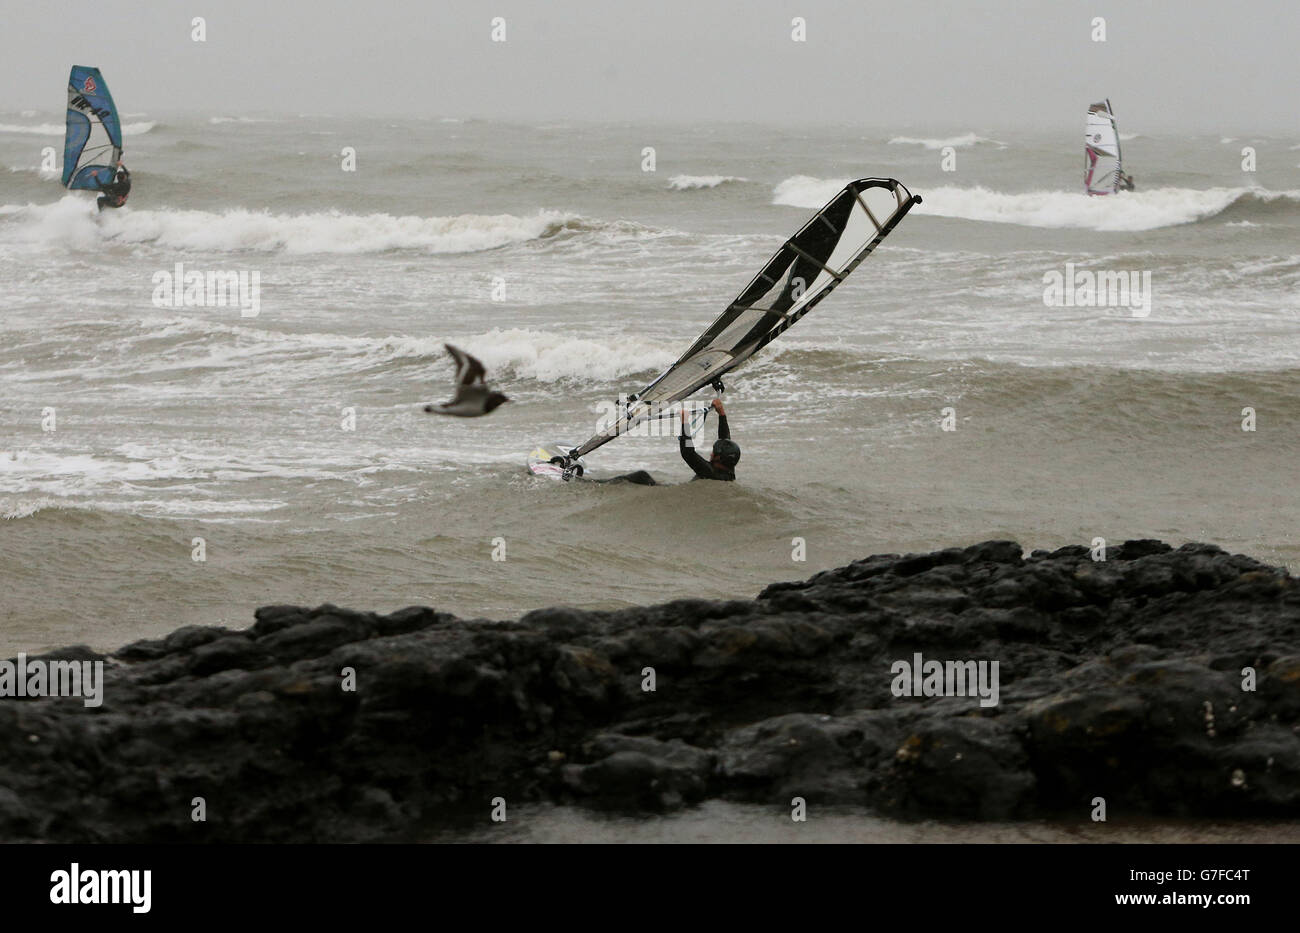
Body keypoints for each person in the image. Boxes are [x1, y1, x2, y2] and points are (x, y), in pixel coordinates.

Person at [679, 397, 738, 481]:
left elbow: (688, 453)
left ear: (718, 458)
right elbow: (725, 439)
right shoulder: (729, 466)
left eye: (713, 453)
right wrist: (721, 413)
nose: (711, 454)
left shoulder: (710, 473)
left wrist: (684, 422)